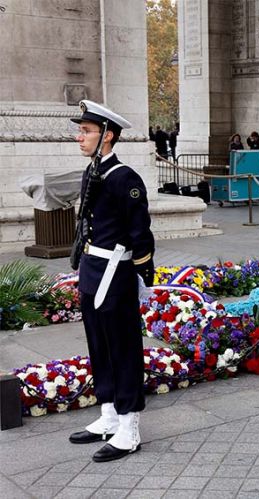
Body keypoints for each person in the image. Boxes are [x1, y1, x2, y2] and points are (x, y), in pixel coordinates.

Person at [67, 100, 155, 462]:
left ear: (108, 135)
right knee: (99, 344)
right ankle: (108, 415)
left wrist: (141, 275)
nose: (79, 137)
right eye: (82, 130)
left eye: (86, 131)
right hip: (92, 269)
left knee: (123, 348)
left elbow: (140, 233)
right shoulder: (93, 172)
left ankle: (129, 427)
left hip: (116, 274)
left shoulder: (124, 178)